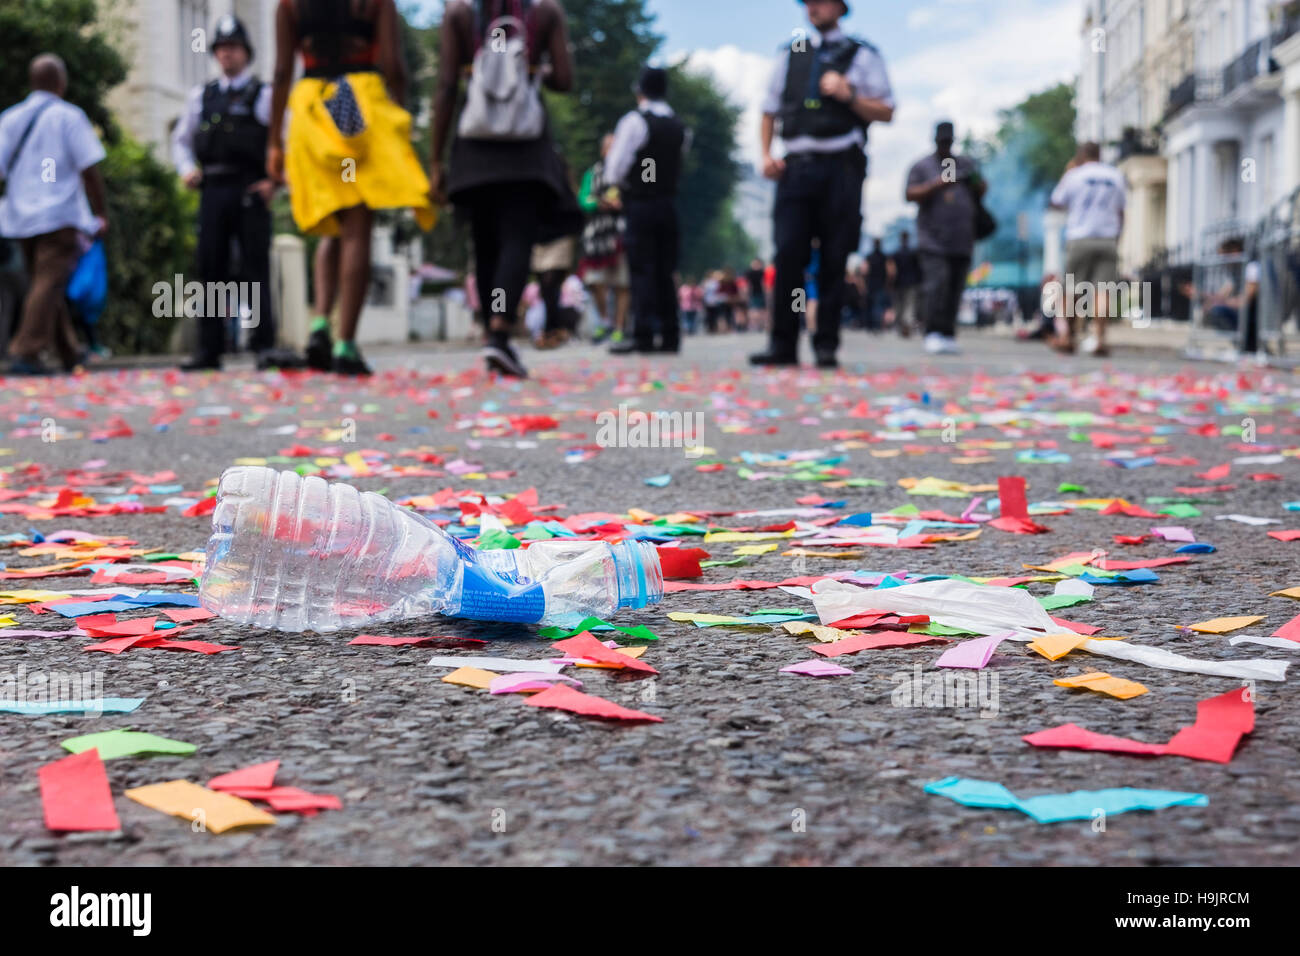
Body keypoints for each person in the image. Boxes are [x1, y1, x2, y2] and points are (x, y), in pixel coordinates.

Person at [268, 0, 435, 376]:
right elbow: (393, 66)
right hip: (357, 105)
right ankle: (345, 344)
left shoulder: (289, 6)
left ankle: (319, 323)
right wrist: (400, 113)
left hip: (314, 108)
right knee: (358, 226)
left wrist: (274, 143)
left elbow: (281, 72)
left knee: (333, 221)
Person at [432, 0, 578, 378]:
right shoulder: (544, 14)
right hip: (525, 151)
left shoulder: (460, 16)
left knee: (485, 245)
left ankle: (491, 333)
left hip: (476, 149)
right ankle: (500, 329)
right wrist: (534, 69)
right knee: (516, 240)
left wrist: (436, 159)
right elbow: (564, 79)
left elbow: (447, 86)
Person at [751, 0, 894, 369]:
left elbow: (887, 110)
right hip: (796, 166)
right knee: (788, 254)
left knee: (834, 255)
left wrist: (850, 95)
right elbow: (768, 110)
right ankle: (782, 342)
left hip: (841, 166)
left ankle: (826, 342)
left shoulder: (863, 54)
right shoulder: (791, 51)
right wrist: (766, 154)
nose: (813, 7)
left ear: (840, 7)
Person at [173, 15, 278, 371]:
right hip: (213, 190)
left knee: (255, 267)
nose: (227, 54)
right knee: (210, 266)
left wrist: (275, 182)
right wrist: (187, 170)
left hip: (250, 189)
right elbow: (181, 141)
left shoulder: (264, 95)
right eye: (221, 48)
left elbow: (285, 143)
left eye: (233, 48)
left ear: (246, 53)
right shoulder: (201, 96)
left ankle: (264, 344)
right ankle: (209, 348)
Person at [0, 54, 108, 376]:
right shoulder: (69, 116)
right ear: (61, 83)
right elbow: (89, 169)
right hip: (60, 215)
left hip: (20, 217)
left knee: (44, 284)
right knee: (48, 283)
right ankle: (25, 351)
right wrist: (100, 212)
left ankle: (69, 352)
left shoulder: (10, 118)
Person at [606, 66, 687, 355]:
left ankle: (643, 333)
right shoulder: (678, 125)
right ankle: (670, 333)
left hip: (640, 202)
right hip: (668, 202)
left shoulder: (634, 121)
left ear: (639, 91)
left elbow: (615, 168)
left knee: (642, 268)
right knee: (666, 269)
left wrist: (627, 184)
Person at [905, 120, 984, 355]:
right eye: (942, 141)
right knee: (937, 285)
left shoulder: (966, 163)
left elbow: (982, 189)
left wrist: (973, 181)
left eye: (949, 141)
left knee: (955, 287)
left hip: (962, 240)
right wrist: (937, 184)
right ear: (935, 141)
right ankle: (932, 331)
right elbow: (909, 193)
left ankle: (948, 333)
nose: (945, 145)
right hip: (933, 240)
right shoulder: (922, 166)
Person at [1048, 141, 1126, 356]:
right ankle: (1100, 338)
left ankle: (1067, 337)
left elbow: (1056, 202)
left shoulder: (1074, 175)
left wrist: (1068, 173)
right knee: (1103, 291)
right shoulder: (1115, 175)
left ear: (1082, 155)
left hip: (1079, 238)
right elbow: (1121, 212)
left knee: (1072, 290)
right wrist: (1117, 238)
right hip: (1107, 239)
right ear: (1100, 154)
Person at [577, 133, 629, 344]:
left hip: (620, 233)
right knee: (595, 281)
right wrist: (598, 204)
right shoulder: (592, 173)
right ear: (603, 151)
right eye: (609, 147)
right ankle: (605, 321)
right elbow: (583, 200)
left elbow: (637, 197)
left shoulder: (630, 172)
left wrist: (622, 205)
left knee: (622, 283)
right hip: (596, 236)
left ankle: (619, 327)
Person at [889, 229, 920, 337]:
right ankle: (907, 324)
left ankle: (899, 325)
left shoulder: (895, 254)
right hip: (911, 282)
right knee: (910, 305)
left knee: (899, 306)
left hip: (898, 282)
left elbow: (892, 271)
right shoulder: (913, 253)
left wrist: (890, 283)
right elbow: (918, 269)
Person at [863, 236, 888, 331]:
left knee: (871, 304)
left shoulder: (869, 256)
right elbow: (890, 271)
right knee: (878, 304)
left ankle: (870, 325)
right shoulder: (884, 257)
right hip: (881, 283)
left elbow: (864, 270)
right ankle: (877, 324)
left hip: (870, 283)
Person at [745, 258, 768, 328]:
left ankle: (755, 324)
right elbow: (763, 284)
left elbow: (748, 285)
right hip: (760, 293)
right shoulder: (763, 272)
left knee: (754, 309)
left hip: (754, 293)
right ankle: (761, 324)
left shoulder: (749, 273)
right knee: (761, 309)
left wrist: (747, 294)